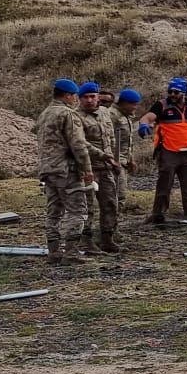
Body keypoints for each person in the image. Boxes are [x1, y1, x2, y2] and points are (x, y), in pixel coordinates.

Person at [35, 78, 95, 265]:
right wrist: (87, 168)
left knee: (54, 212)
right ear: (68, 95)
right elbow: (77, 144)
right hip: (66, 169)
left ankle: (53, 252)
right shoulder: (68, 115)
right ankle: (71, 252)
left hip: (48, 169)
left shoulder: (44, 114)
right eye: (74, 96)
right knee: (77, 210)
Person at [146, 78, 187, 227]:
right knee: (164, 185)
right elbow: (148, 117)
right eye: (170, 91)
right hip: (168, 152)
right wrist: (143, 125)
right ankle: (158, 215)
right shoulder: (162, 105)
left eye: (176, 92)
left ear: (184, 93)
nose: (172, 94)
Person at [77, 82, 122, 254]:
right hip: (88, 167)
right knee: (87, 206)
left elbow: (110, 138)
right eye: (85, 97)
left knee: (110, 203)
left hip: (106, 167)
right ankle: (86, 240)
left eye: (92, 96)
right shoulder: (76, 117)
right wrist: (104, 156)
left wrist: (114, 161)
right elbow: (80, 144)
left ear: (97, 97)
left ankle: (107, 237)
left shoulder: (104, 113)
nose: (89, 100)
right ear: (80, 99)